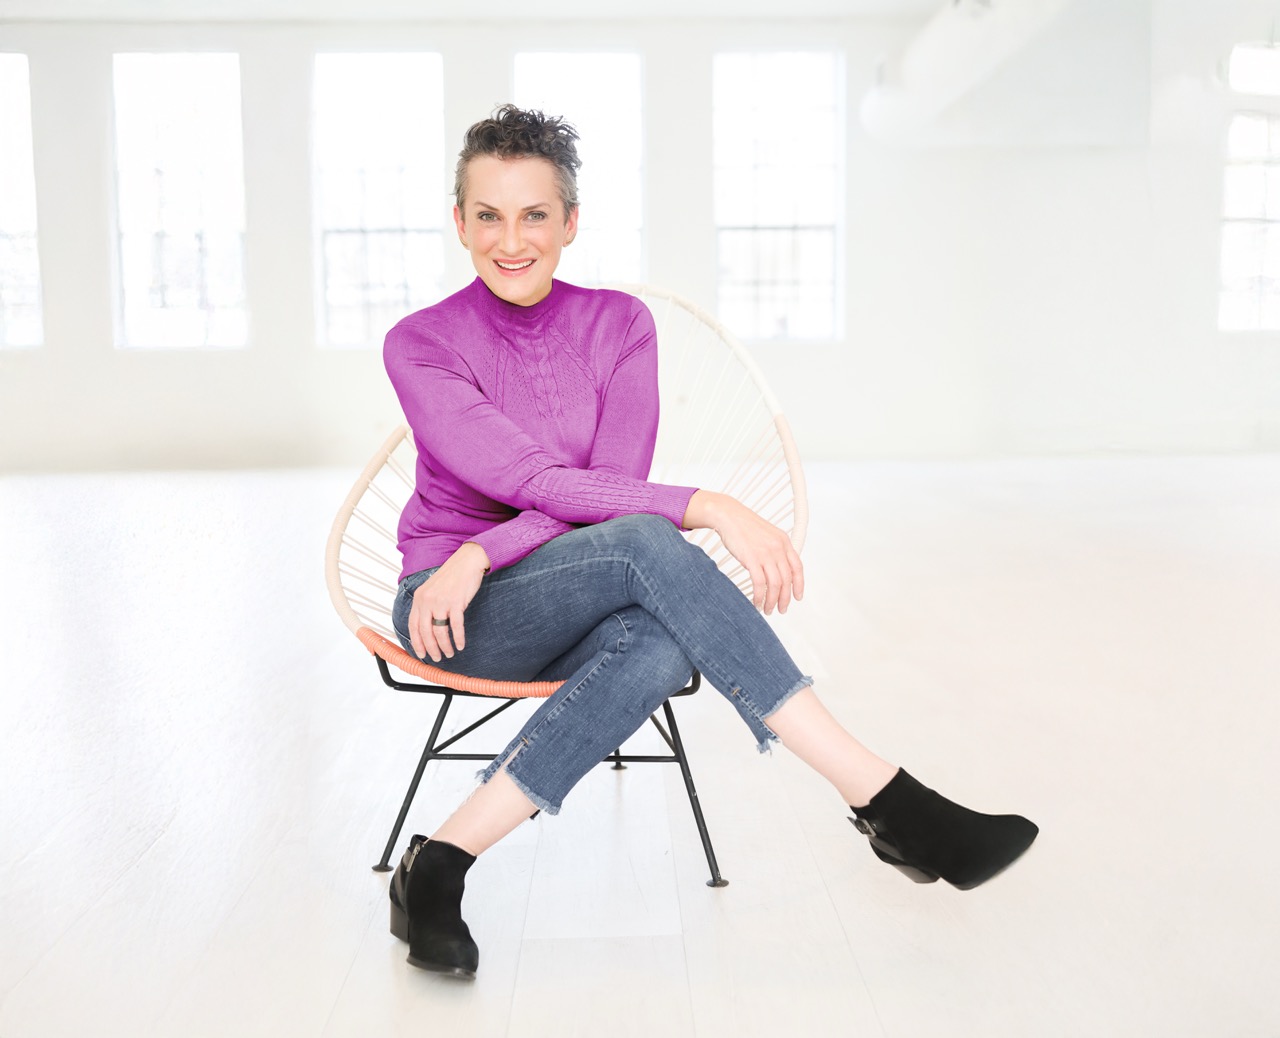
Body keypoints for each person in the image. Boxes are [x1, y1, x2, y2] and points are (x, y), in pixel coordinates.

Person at [382, 104, 1037, 980]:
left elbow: (600, 507)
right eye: (489, 215)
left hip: (525, 573)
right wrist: (708, 505)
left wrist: (486, 548)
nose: (512, 240)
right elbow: (540, 486)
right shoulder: (420, 343)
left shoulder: (619, 326)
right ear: (459, 221)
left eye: (534, 214)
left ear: (570, 223)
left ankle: (439, 866)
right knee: (650, 542)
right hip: (454, 606)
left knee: (653, 639)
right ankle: (888, 801)